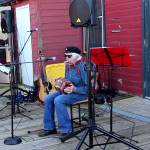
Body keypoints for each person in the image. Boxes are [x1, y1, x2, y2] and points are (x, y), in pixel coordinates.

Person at [38, 46, 88, 139]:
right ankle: (50, 128)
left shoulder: (83, 67)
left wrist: (74, 89)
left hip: (81, 94)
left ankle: (66, 130)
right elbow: (68, 81)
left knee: (59, 100)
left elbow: (89, 88)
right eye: (65, 56)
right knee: (48, 98)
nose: (66, 58)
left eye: (69, 56)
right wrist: (61, 83)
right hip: (69, 92)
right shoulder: (68, 66)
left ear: (77, 56)